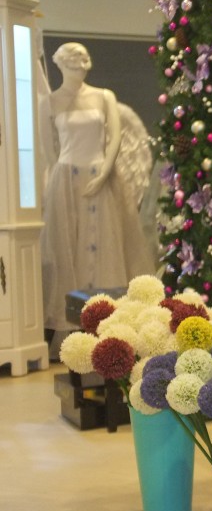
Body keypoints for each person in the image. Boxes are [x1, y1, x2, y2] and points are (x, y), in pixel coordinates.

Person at [40, 42, 154, 354]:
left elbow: (115, 138)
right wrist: (60, 183)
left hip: (101, 177)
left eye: (83, 60)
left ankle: (109, 322)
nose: (81, 65)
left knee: (106, 246)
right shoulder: (49, 102)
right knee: (67, 249)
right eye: (73, 61)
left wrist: (103, 173)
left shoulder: (104, 97)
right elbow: (49, 151)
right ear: (61, 65)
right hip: (66, 182)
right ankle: (72, 328)